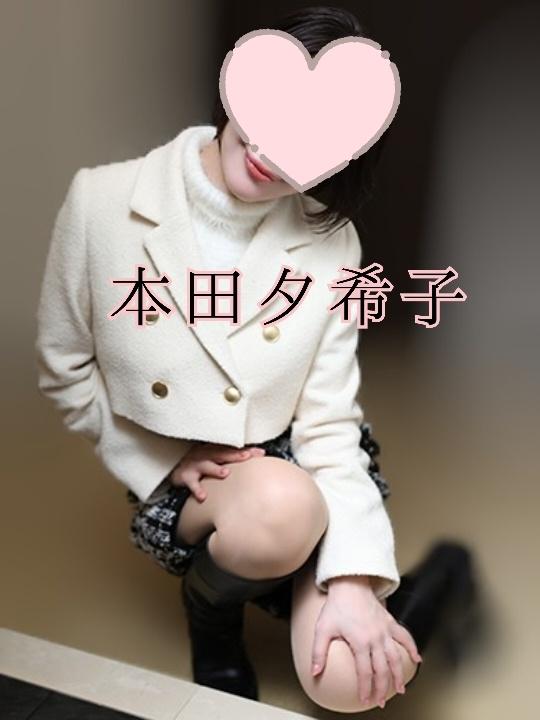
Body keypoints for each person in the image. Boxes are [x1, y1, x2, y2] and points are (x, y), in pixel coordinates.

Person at [35, 5, 482, 713]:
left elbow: (328, 423)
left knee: (351, 683)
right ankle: (213, 620)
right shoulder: (102, 201)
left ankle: (443, 581)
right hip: (207, 483)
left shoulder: (330, 240)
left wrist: (356, 583)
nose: (275, 153)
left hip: (308, 460)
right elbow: (65, 368)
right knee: (278, 505)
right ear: (241, 83)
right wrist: (161, 458)